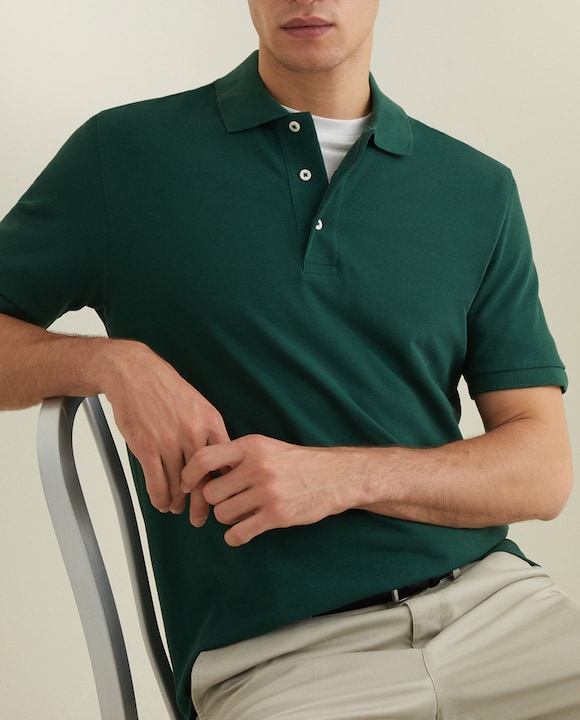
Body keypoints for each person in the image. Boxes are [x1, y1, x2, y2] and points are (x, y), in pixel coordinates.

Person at [1, 1, 579, 718]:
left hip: (500, 614)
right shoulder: (123, 156)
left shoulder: (478, 190)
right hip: (282, 661)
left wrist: (339, 477)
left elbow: (543, 468)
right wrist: (112, 364)